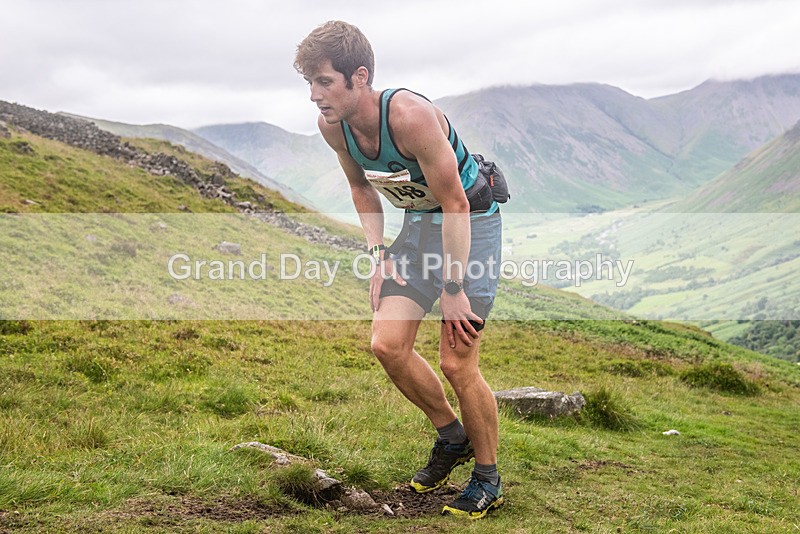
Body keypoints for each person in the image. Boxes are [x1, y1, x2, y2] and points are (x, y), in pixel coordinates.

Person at [294, 20, 505, 519]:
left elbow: (455, 204)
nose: (313, 95)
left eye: (324, 82)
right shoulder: (333, 127)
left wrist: (453, 288)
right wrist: (376, 253)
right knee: (386, 345)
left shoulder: (410, 117)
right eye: (308, 83)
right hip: (417, 231)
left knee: (457, 363)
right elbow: (362, 189)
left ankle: (488, 477)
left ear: (359, 77)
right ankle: (452, 437)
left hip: (469, 229)